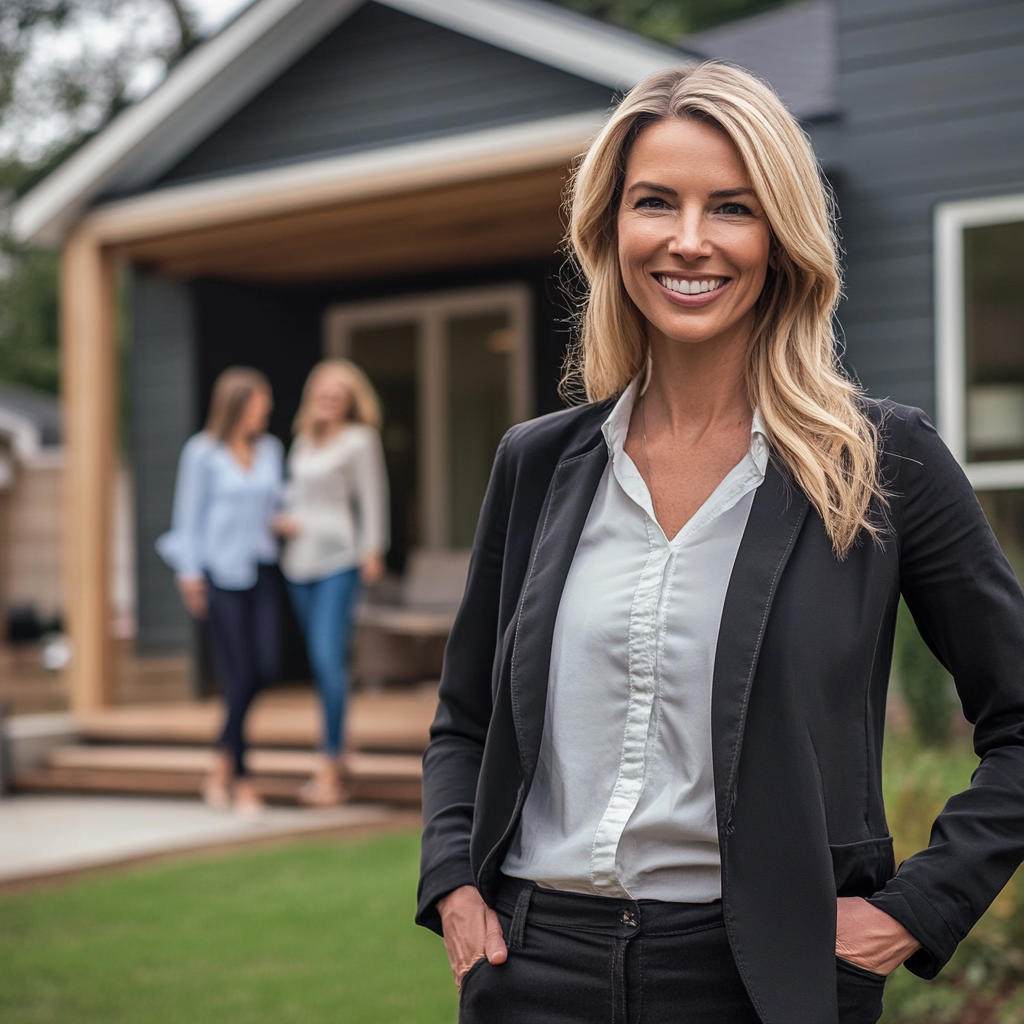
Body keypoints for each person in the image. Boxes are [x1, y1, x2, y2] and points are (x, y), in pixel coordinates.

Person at [416, 62, 1024, 1024]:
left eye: (732, 208)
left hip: (761, 981)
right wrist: (454, 882)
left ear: (780, 237)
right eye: (656, 202)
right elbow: (466, 721)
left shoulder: (879, 461)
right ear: (611, 230)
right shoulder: (535, 463)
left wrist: (911, 912)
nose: (689, 241)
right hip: (532, 969)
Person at [158, 366, 283, 815]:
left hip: (263, 568)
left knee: (266, 668)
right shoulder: (203, 452)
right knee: (239, 676)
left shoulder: (271, 450)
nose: (266, 407)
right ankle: (244, 780)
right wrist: (189, 574)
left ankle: (220, 763)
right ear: (239, 403)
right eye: (260, 399)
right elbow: (187, 518)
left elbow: (276, 504)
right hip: (219, 575)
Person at [275, 359, 388, 806]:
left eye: (339, 393)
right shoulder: (301, 442)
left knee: (327, 659)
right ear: (312, 395)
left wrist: (373, 547)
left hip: (339, 559)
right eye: (324, 390)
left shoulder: (360, 440)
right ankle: (340, 750)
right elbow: (292, 495)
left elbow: (372, 495)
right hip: (296, 564)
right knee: (322, 664)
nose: (330, 398)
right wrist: (282, 520)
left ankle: (329, 766)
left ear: (349, 401)